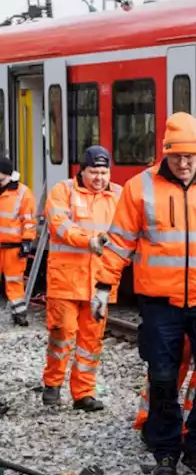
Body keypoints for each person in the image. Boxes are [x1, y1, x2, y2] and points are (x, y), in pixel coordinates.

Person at [97, 113, 196, 475]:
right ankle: (165, 452)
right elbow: (118, 244)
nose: (183, 164)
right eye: (176, 156)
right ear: (164, 152)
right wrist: (103, 287)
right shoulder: (139, 188)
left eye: (190, 157)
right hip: (160, 303)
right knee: (162, 378)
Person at [40, 146, 121, 410]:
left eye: (104, 172)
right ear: (81, 171)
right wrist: (90, 242)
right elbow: (60, 226)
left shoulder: (118, 195)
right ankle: (53, 384)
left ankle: (83, 393)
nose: (99, 178)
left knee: (91, 340)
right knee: (62, 333)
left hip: (100, 282)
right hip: (65, 281)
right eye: (93, 172)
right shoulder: (62, 191)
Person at [0, 158, 35, 326]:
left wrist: (27, 241)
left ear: (9, 175)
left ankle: (19, 314)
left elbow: (28, 220)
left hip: (13, 247)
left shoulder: (22, 193)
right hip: (8, 246)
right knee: (14, 281)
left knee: (14, 281)